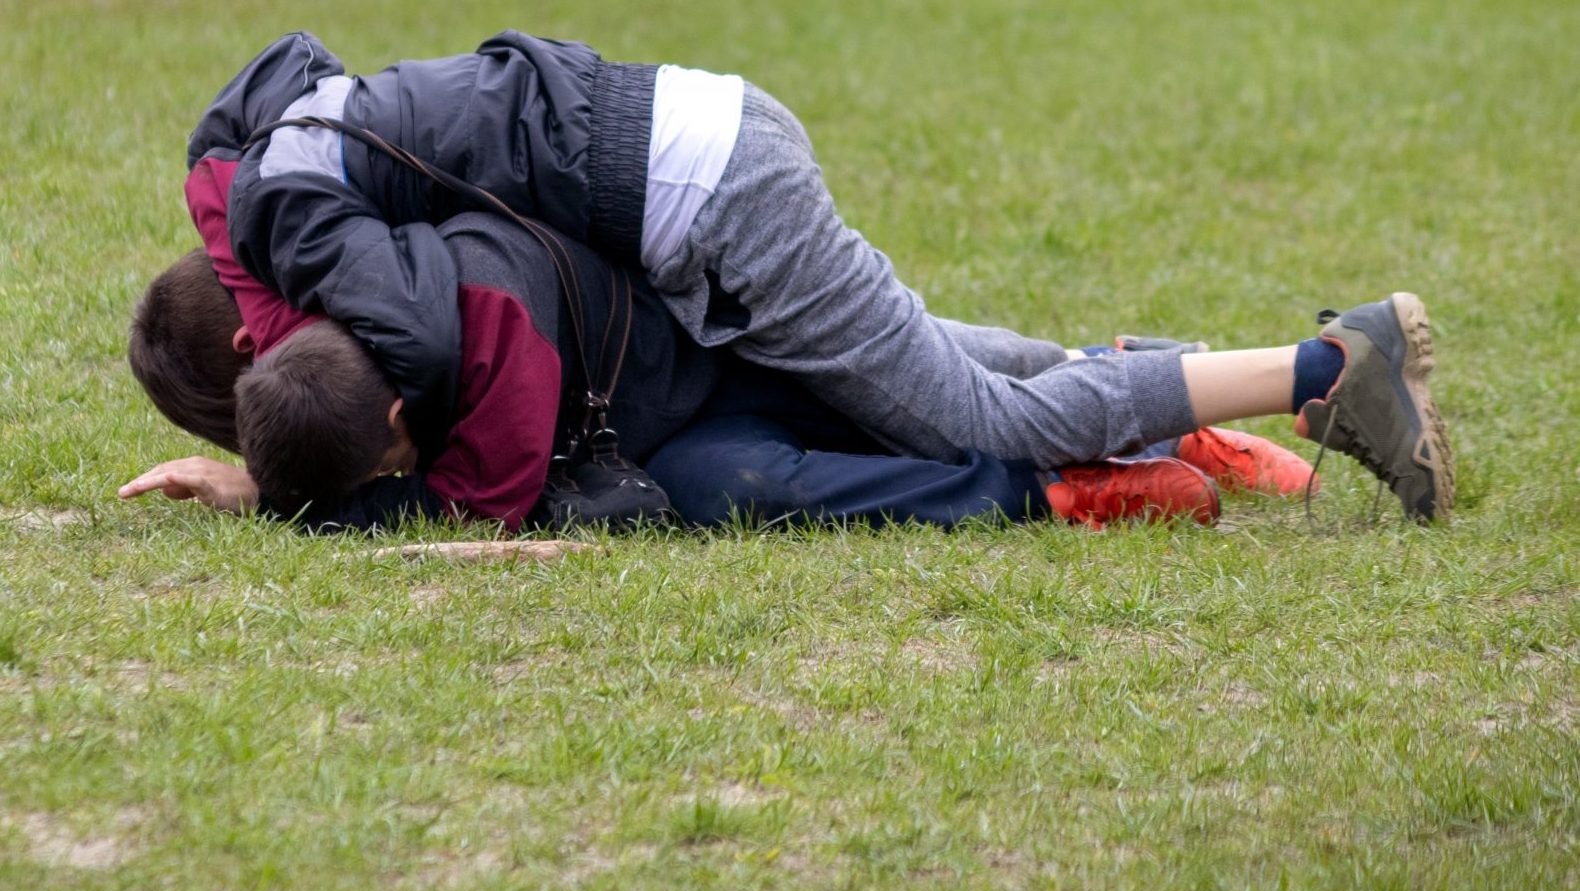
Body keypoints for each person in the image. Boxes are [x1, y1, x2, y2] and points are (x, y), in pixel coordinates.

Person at [188, 31, 1452, 522]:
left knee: (975, 418)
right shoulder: (289, 157)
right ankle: (1190, 392)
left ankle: (1329, 368)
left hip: (721, 204)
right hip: (699, 170)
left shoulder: (297, 224)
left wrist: (289, 487)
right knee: (931, 370)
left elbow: (406, 349)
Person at [121, 214, 1317, 531]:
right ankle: (1065, 488)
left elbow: (466, 497)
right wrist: (263, 495)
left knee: (939, 369)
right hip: (660, 436)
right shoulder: (325, 369)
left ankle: (1163, 394)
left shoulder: (405, 285)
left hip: (696, 326)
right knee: (749, 488)